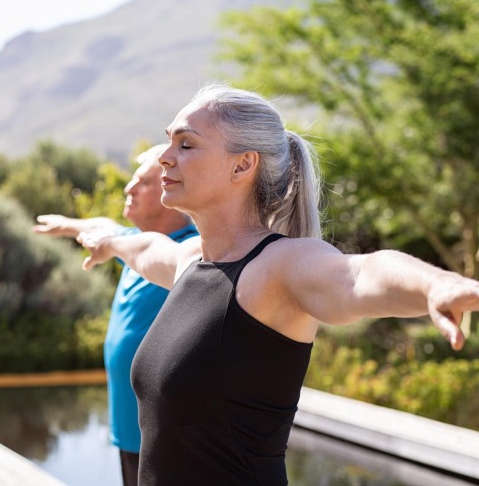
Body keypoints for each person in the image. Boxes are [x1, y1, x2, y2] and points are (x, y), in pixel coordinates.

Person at [76, 83, 479, 485]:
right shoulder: (191, 261)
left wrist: (436, 284)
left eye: (186, 144)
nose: (164, 157)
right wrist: (108, 242)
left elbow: (360, 273)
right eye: (169, 142)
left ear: (242, 166)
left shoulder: (277, 267)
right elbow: (145, 248)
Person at [32, 145, 197, 486]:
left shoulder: (190, 251)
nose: (128, 189)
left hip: (169, 438)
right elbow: (104, 225)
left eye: (143, 182)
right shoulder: (133, 242)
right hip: (130, 432)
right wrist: (68, 225)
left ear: (174, 192)